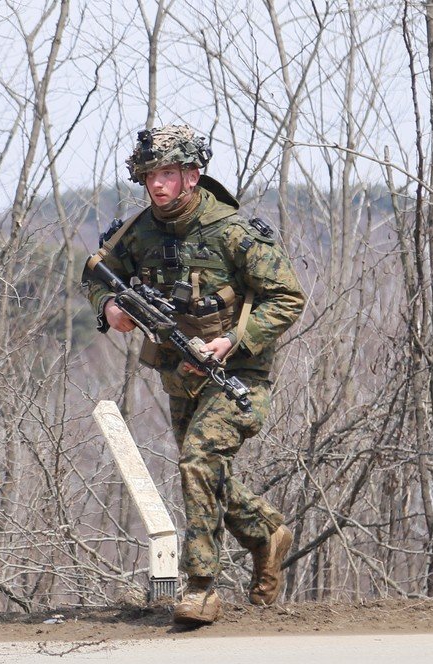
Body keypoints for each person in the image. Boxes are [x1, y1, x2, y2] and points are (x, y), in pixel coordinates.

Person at [80, 125, 306, 625]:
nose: (156, 186)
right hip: (179, 374)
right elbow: (95, 271)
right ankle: (265, 533)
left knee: (198, 462)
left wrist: (234, 341)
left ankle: (202, 587)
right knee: (204, 475)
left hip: (238, 374)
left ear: (192, 175)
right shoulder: (138, 232)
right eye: (149, 176)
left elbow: (288, 297)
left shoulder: (232, 232)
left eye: (166, 174)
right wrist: (110, 306)